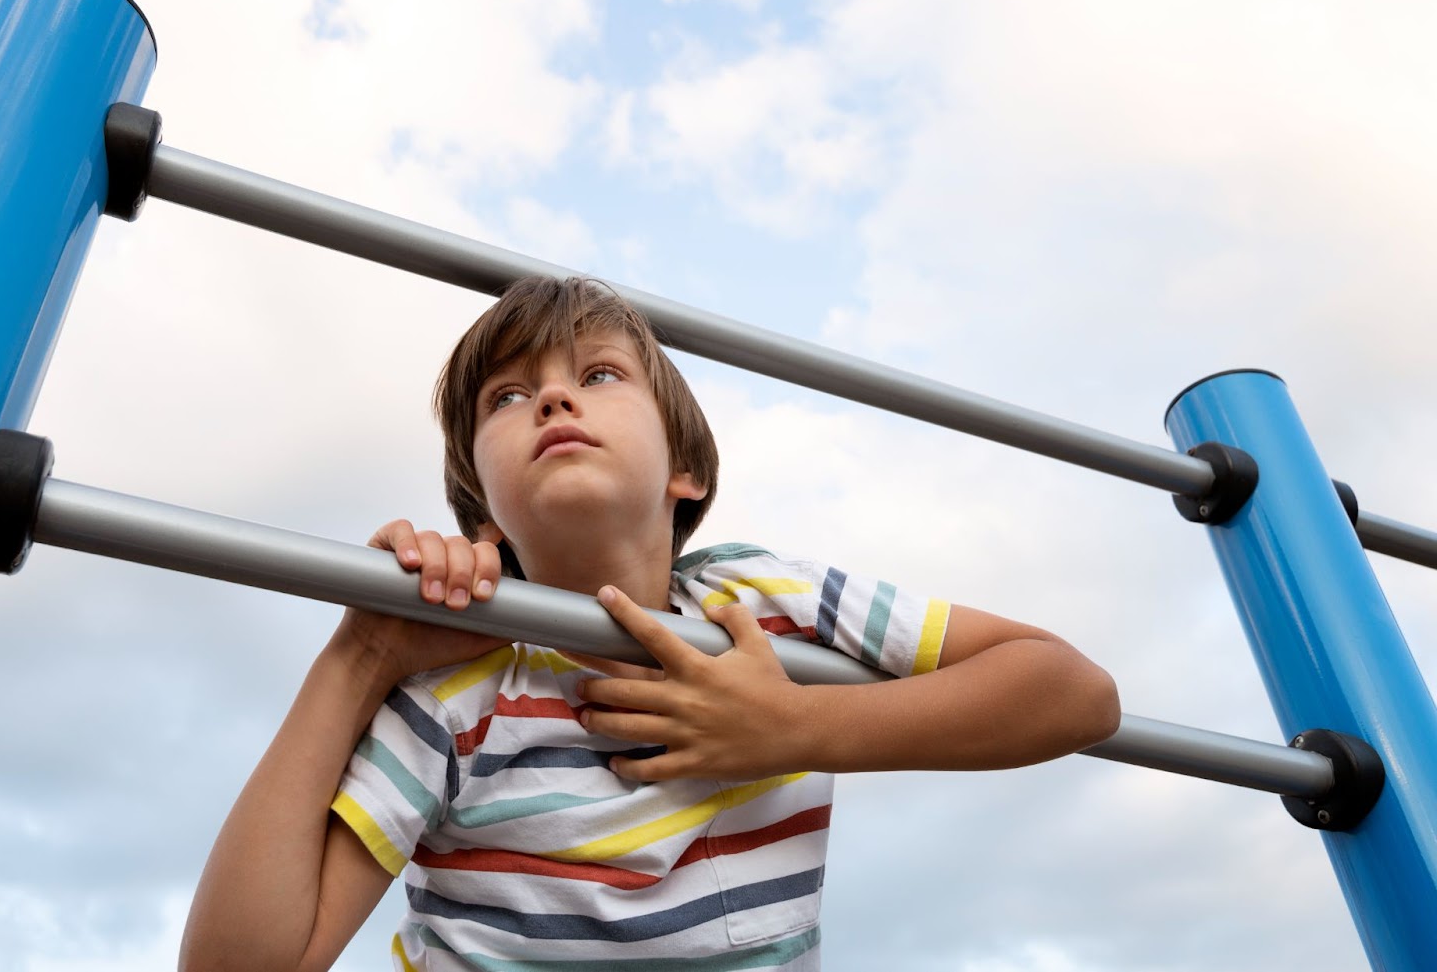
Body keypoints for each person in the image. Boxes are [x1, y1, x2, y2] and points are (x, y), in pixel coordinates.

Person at [181, 276, 1120, 971]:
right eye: (505, 398)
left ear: (687, 473)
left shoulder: (763, 604)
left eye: (598, 374)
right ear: (483, 514)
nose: (551, 397)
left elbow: (1077, 693)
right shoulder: (459, 693)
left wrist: (795, 728)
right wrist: (363, 652)